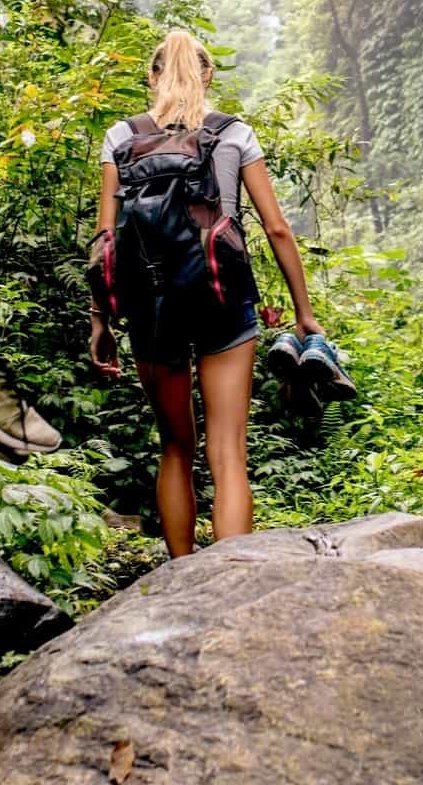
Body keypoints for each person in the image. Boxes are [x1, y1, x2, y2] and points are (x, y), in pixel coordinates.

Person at [88, 31, 347, 557]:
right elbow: (277, 229)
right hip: (221, 294)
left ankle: (182, 578)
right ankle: (230, 579)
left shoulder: (120, 137)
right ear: (208, 75)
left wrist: (101, 320)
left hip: (150, 305)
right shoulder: (234, 134)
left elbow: (105, 241)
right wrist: (304, 313)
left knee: (176, 448)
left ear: (152, 76)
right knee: (227, 452)